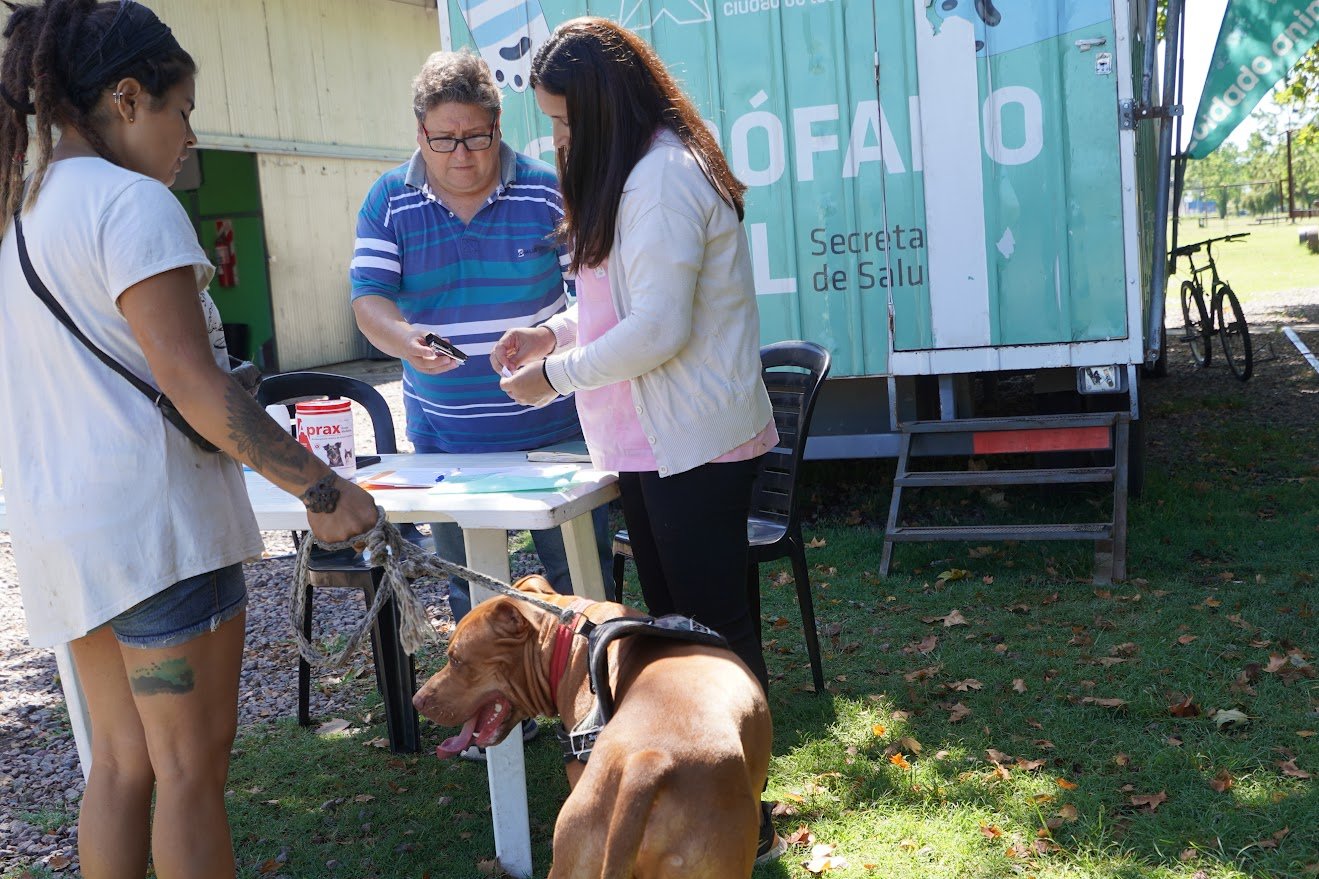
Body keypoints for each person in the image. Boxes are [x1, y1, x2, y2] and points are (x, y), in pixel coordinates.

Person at [0, 2, 380, 876]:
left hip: (70, 537)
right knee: (188, 773)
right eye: (182, 109)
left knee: (121, 765)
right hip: (156, 532)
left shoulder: (23, 207)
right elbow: (196, 383)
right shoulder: (131, 206)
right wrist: (321, 490)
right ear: (127, 98)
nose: (190, 135)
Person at [492, 17, 786, 862]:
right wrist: (549, 336)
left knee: (711, 638)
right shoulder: (632, 171)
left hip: (693, 443)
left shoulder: (661, 177)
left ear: (608, 105)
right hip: (654, 444)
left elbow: (655, 328)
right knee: (679, 635)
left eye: (566, 121)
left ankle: (744, 814)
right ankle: (714, 807)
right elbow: (612, 306)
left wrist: (552, 376)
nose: (557, 139)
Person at [349, 48, 611, 753]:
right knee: (471, 593)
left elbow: (592, 294)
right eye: (444, 140)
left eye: (477, 137)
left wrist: (548, 338)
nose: (462, 155)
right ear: (418, 134)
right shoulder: (387, 198)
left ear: (499, 126)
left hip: (554, 433)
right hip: (445, 440)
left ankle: (596, 716)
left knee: (576, 583)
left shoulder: (547, 188)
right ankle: (495, 723)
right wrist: (403, 339)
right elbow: (367, 299)